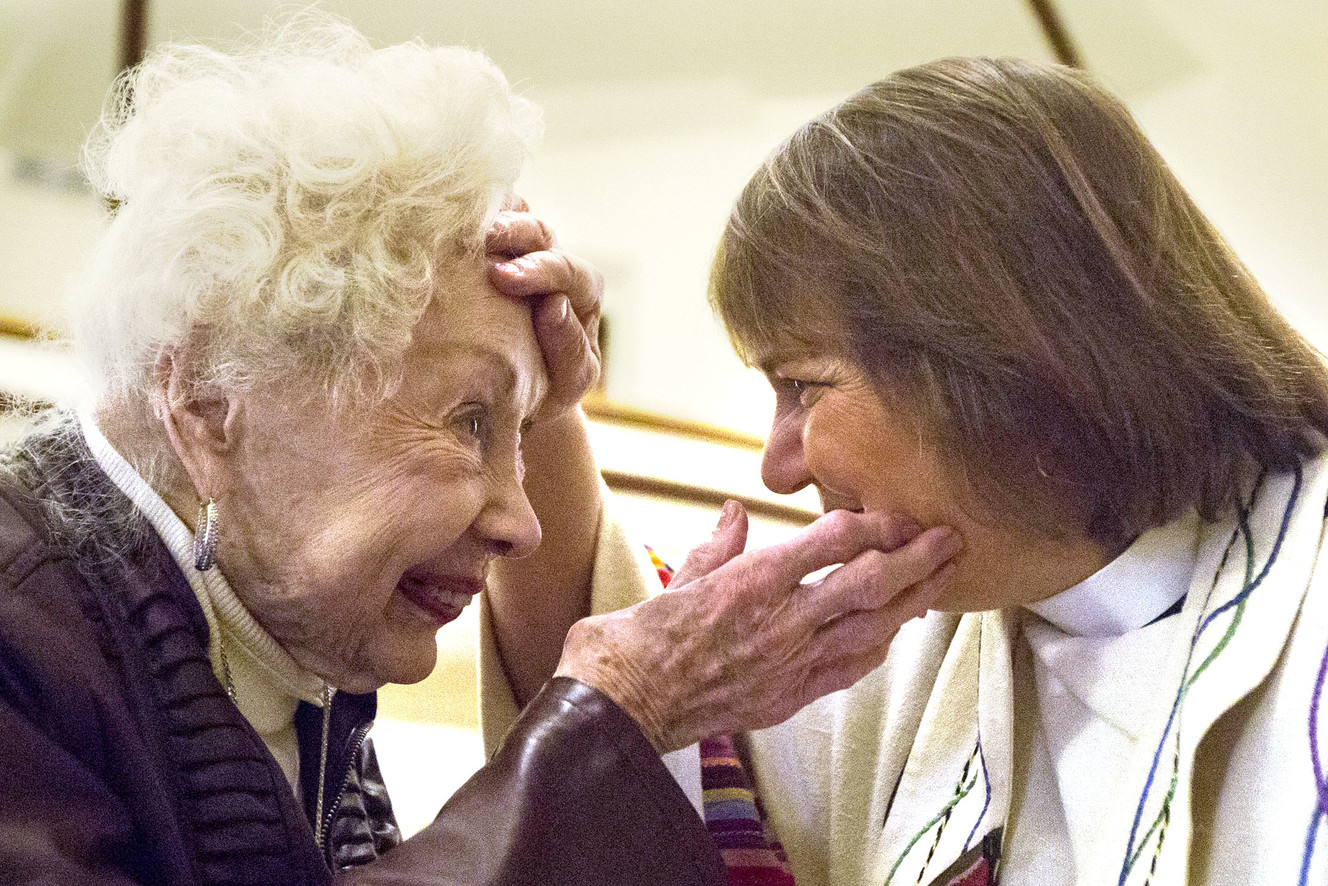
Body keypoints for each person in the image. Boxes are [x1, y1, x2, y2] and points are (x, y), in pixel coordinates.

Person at [0, 18, 965, 886]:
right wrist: (612, 716)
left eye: (522, 433)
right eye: (469, 422)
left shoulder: (275, 634)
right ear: (210, 402)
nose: (521, 521)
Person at [483, 58, 1328, 885]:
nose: (778, 469)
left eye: (802, 386)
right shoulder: (927, 643)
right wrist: (543, 402)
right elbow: (627, 731)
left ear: (993, 365)